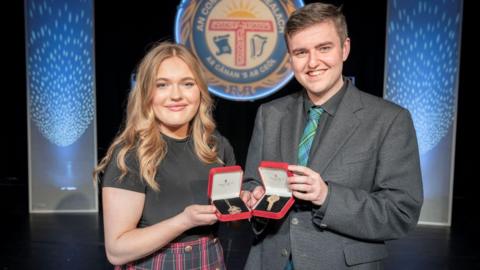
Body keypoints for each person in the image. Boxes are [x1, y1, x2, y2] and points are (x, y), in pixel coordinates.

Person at [240, 3, 423, 270]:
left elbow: (400, 212)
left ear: (344, 49)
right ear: (290, 58)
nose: (313, 63)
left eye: (324, 48)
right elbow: (252, 182)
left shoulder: (390, 119)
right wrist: (253, 197)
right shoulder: (270, 114)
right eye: (301, 52)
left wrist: (327, 196)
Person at [93, 42, 235, 269]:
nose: (176, 95)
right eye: (162, 85)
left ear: (200, 90)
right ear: (146, 93)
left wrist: (246, 203)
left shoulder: (216, 146)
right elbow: (117, 251)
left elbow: (232, 217)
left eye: (187, 84)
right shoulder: (130, 155)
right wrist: (184, 221)